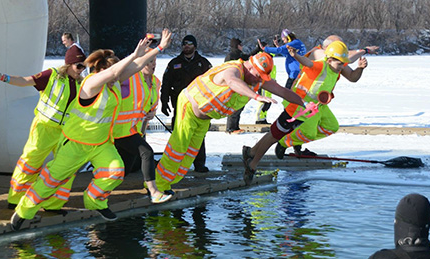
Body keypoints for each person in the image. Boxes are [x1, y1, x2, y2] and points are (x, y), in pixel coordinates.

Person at [10, 30, 171, 228]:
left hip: (101, 144)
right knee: (50, 181)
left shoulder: (114, 83)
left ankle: (94, 200)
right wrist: (134, 55)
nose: (119, 78)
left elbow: (135, 67)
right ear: (102, 71)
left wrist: (160, 48)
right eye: (116, 74)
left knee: (115, 171)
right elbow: (115, 71)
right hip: (76, 144)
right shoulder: (90, 84)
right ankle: (23, 211)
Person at [155, 52, 303, 193]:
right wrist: (256, 97)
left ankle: (168, 184)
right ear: (250, 67)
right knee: (178, 147)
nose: (259, 80)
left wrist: (303, 103)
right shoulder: (232, 69)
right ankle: (157, 186)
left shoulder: (255, 78)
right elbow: (232, 81)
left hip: (204, 117)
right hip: (188, 106)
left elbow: (282, 91)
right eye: (258, 76)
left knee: (190, 154)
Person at [242, 41, 365, 184]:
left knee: (274, 135)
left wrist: (360, 68)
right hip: (295, 108)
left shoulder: (335, 70)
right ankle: (252, 164)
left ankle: (250, 153)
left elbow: (353, 76)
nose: (341, 68)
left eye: (344, 64)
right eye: (339, 64)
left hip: (306, 111)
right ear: (329, 60)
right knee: (273, 136)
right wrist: (295, 55)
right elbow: (308, 62)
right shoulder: (321, 65)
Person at [0, 46, 87, 210]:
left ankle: (53, 204)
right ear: (68, 64)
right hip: (43, 128)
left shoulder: (82, 83)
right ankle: (16, 199)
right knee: (30, 162)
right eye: (79, 66)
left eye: (84, 66)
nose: (81, 70)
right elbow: (25, 80)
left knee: (65, 166)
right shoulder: (51, 75)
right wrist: (2, 77)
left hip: (65, 132)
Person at [113, 38, 173, 204]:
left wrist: (152, 114)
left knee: (122, 170)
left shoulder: (155, 83)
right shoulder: (130, 78)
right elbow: (116, 75)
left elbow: (150, 106)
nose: (152, 65)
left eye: (154, 62)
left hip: (135, 130)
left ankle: (100, 192)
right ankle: (153, 191)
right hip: (118, 130)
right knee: (147, 153)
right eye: (149, 61)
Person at [160, 34, 212, 173]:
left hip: (199, 106)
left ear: (195, 46)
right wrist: (164, 102)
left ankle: (199, 163)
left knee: (198, 134)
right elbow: (166, 84)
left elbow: (212, 84)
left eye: (189, 44)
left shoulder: (204, 63)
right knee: (180, 134)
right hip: (179, 104)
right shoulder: (174, 63)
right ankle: (175, 163)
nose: (186, 46)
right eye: (184, 44)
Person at [224, 38, 250, 134]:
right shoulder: (231, 56)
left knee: (239, 105)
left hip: (239, 83)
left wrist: (259, 49)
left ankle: (235, 126)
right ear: (237, 45)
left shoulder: (239, 55)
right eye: (241, 44)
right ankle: (230, 128)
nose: (242, 46)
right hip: (233, 84)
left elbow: (249, 57)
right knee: (234, 106)